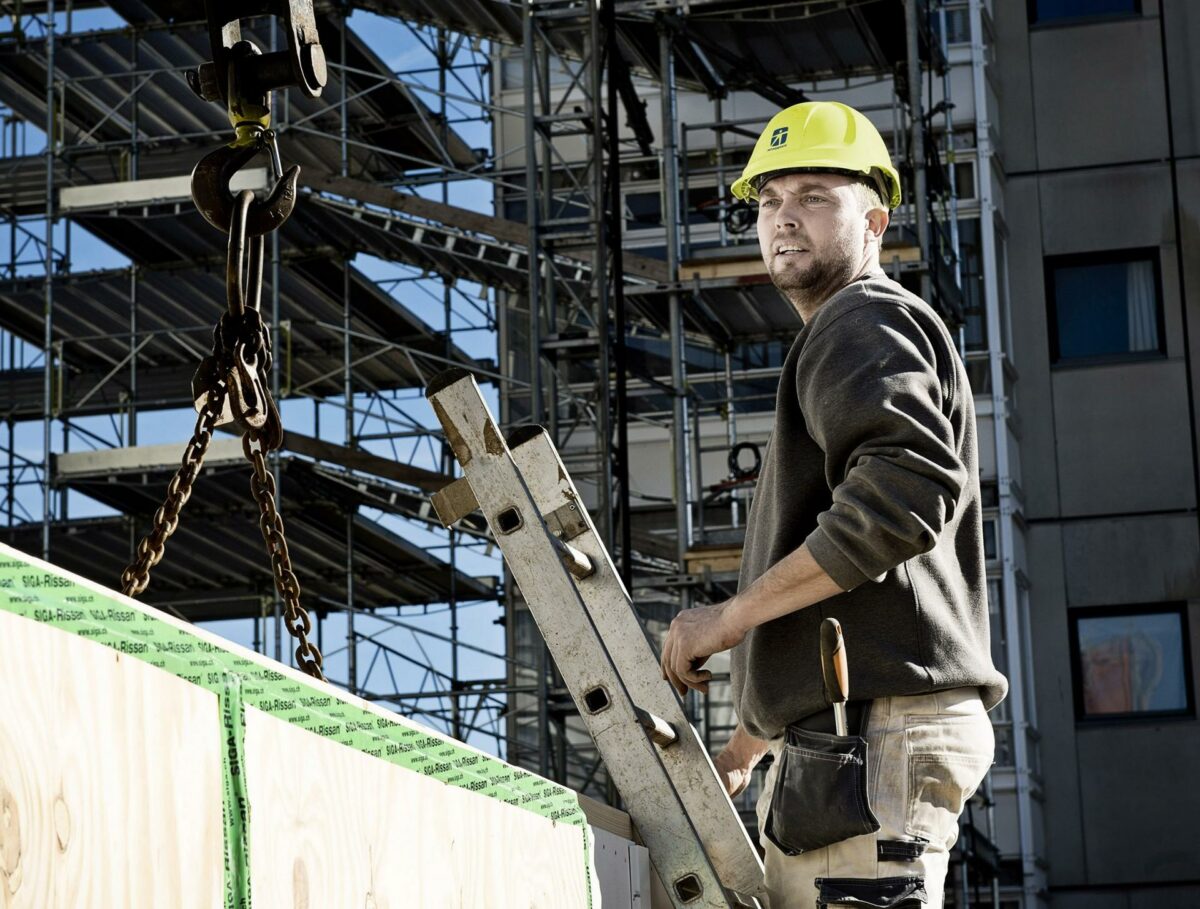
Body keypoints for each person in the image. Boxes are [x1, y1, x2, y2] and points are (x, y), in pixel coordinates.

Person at [658, 101, 1009, 909]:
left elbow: (902, 496)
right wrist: (753, 736)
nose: (784, 218)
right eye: (769, 200)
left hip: (874, 739)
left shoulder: (861, 318)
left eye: (815, 194)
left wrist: (733, 617)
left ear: (874, 221)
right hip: (850, 739)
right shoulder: (856, 328)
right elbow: (865, 591)